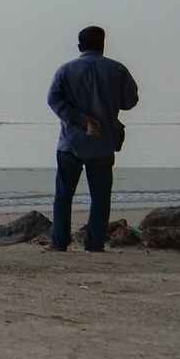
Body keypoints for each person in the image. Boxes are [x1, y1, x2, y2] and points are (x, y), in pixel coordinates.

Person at [45, 25, 139, 252]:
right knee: (100, 197)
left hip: (71, 142)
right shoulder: (117, 70)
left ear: (80, 46)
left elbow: (54, 100)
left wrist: (78, 117)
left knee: (64, 195)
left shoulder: (66, 70)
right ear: (103, 44)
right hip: (104, 142)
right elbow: (130, 101)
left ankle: (59, 242)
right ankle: (94, 242)